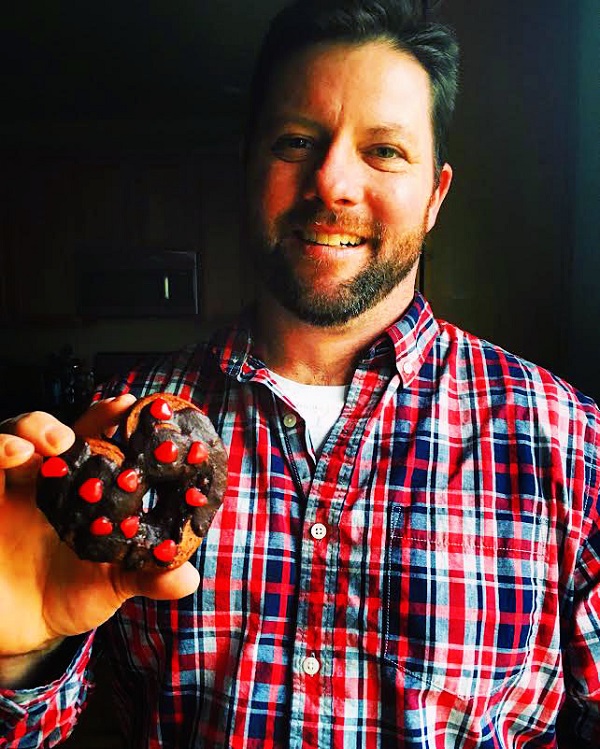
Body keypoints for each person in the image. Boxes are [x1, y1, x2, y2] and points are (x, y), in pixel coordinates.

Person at [0, 0, 598, 746]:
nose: (333, 183)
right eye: (296, 141)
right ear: (248, 167)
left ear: (436, 195)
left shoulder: (572, 442)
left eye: (384, 151)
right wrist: (22, 657)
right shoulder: (115, 436)